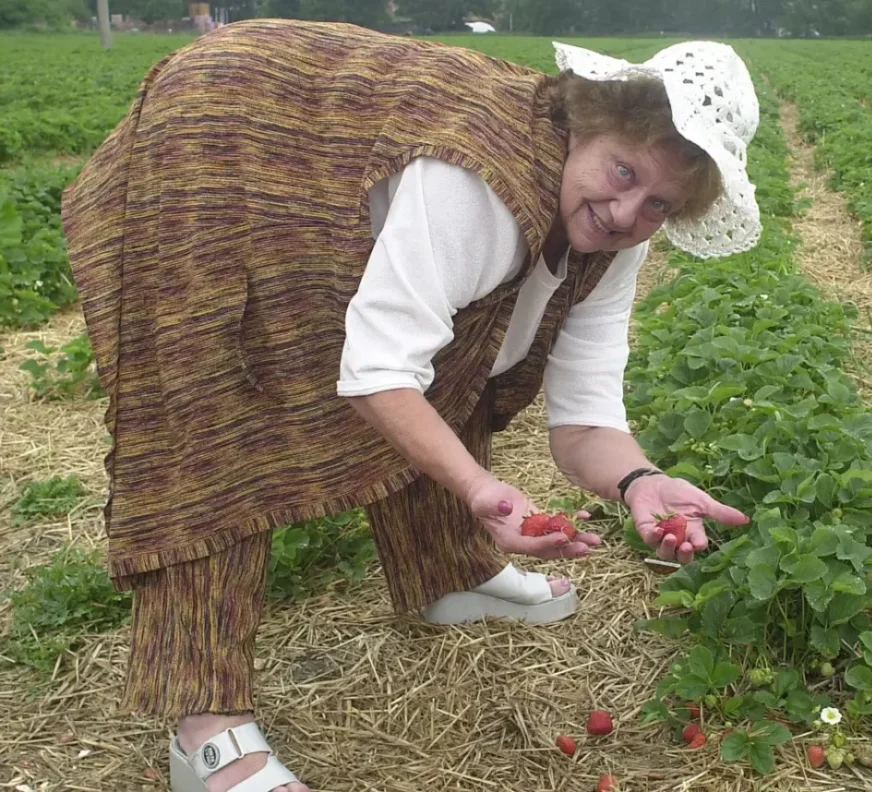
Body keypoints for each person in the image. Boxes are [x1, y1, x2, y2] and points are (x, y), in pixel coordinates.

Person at [61, 18, 763, 792]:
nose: (628, 214)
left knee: (464, 346)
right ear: (592, 124)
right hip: (222, 132)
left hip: (326, 161)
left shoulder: (615, 244)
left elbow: (587, 420)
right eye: (624, 172)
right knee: (216, 406)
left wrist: (640, 481)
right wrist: (479, 488)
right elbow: (377, 372)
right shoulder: (477, 184)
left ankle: (444, 570)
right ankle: (203, 726)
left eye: (660, 204)